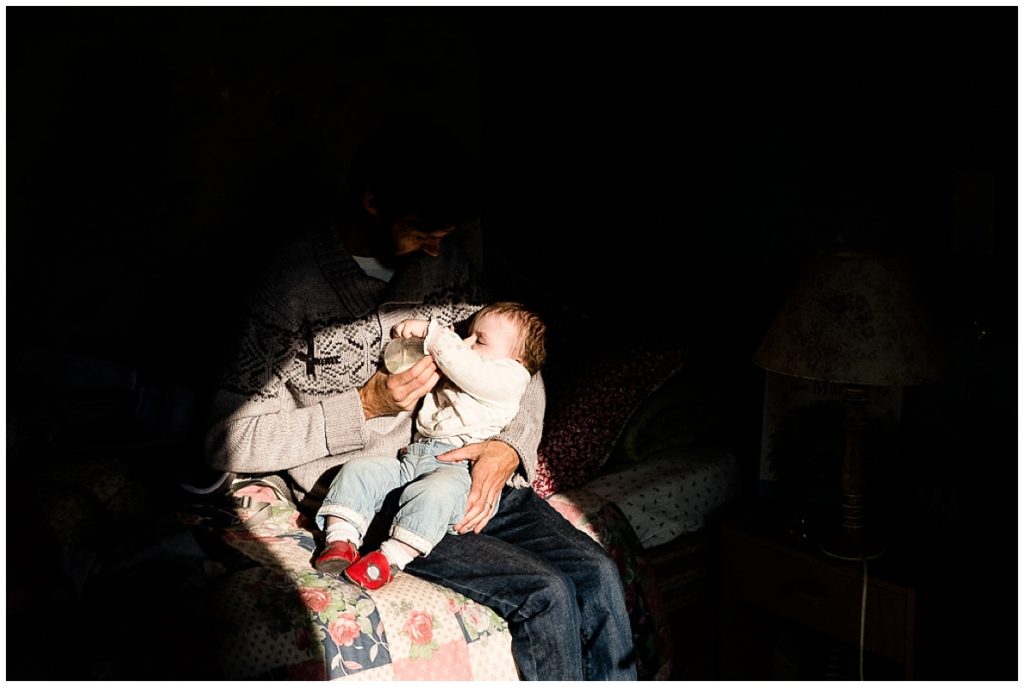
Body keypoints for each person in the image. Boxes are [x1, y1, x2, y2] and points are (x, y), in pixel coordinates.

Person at [204, 114, 637, 680]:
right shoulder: (288, 293)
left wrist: (508, 447)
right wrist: (363, 408)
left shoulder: (446, 266)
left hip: (469, 465)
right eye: (426, 231)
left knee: (598, 574)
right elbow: (225, 440)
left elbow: (518, 362)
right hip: (386, 491)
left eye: (448, 236)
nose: (438, 252)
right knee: (546, 592)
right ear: (373, 202)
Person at [313, 303, 546, 590]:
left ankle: (389, 558)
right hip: (412, 458)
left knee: (434, 495)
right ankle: (340, 540)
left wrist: (432, 334)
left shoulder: (510, 379)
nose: (467, 343)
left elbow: (466, 367)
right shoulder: (469, 365)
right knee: (359, 470)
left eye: (480, 340)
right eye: (468, 335)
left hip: (456, 468)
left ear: (518, 360)